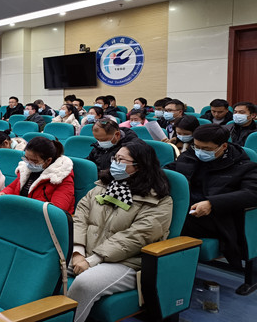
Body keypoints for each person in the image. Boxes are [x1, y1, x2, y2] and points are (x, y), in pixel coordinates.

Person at [69, 140, 172, 322]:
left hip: (127, 261)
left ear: (139, 166)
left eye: (121, 160)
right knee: (47, 266)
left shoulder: (158, 200)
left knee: (85, 283)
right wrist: (78, 252)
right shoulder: (103, 186)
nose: (114, 164)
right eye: (114, 159)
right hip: (87, 252)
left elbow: (138, 236)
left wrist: (93, 260)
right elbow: (81, 217)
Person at [164, 124, 257, 268]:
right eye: (197, 146)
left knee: (162, 223)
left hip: (215, 218)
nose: (200, 152)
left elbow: (252, 193)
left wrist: (212, 203)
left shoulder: (244, 167)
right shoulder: (190, 155)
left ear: (223, 146)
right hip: (183, 207)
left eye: (206, 149)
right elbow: (169, 171)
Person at [0, 137, 75, 214]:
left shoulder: (61, 178)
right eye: (27, 158)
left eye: (34, 161)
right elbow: (13, 187)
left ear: (48, 161)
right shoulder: (27, 170)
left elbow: (56, 211)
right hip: (21, 212)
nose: (29, 163)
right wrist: (4, 194)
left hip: (41, 217)